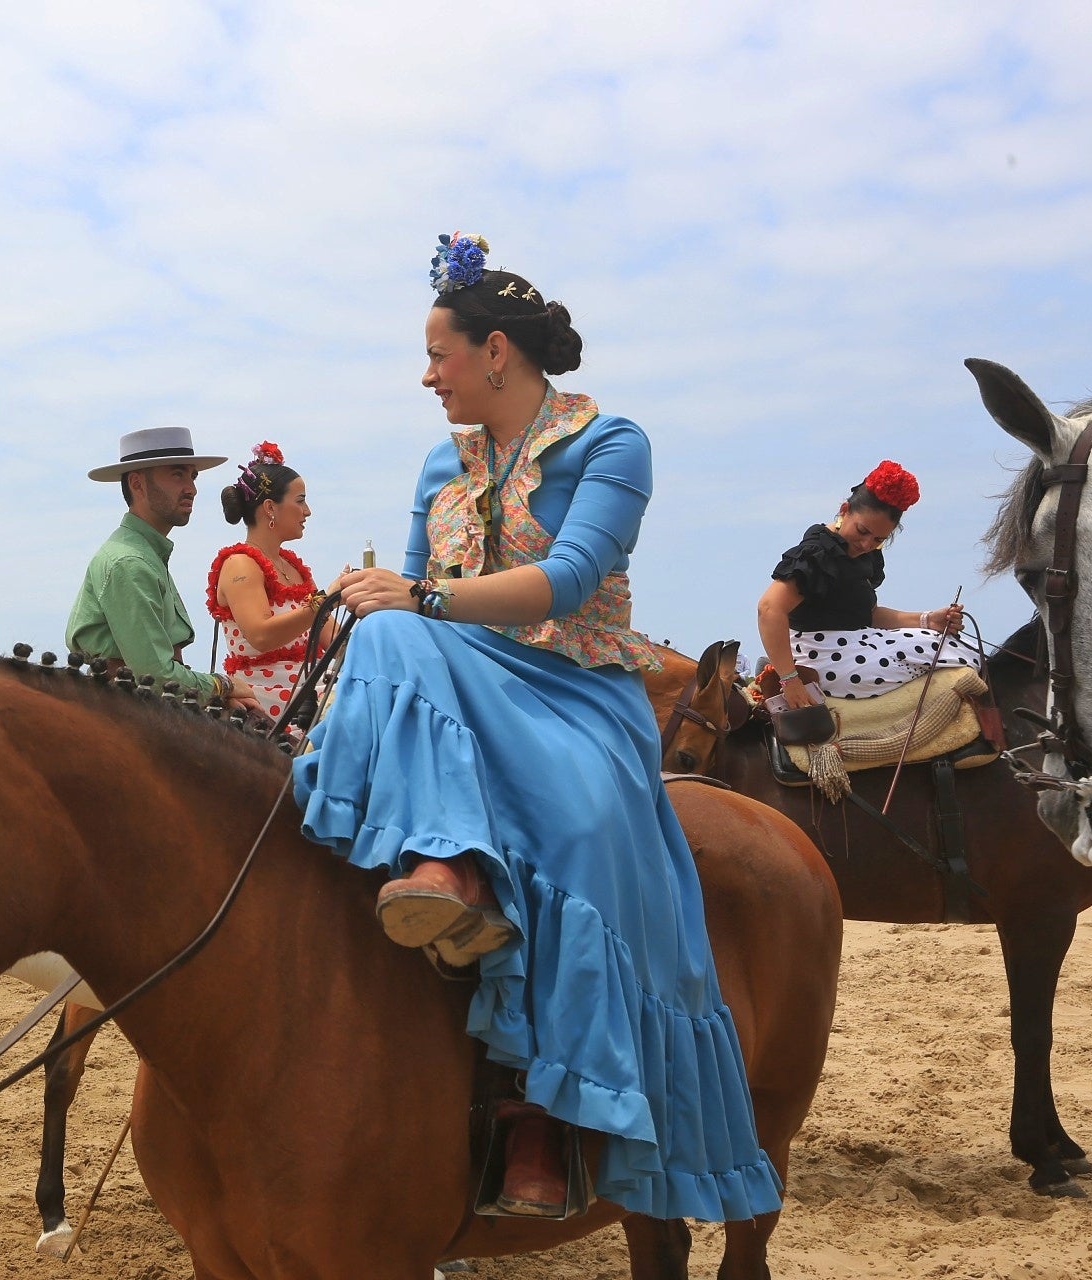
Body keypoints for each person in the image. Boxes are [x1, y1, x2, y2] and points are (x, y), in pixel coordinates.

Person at [295, 234, 780, 1224]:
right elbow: (411, 602)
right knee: (380, 635)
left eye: (438, 355)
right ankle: (444, 871)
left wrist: (419, 597)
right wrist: (391, 600)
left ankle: (547, 1107)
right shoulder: (440, 462)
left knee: (587, 821)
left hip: (576, 685)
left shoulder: (612, 444)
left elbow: (567, 580)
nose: (426, 376)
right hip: (463, 675)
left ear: (495, 351)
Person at [67, 427, 259, 709]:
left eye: (193, 476)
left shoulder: (143, 554)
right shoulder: (130, 562)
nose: (191, 488)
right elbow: (155, 677)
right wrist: (223, 686)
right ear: (137, 484)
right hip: (127, 715)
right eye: (177, 474)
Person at [756, 461, 974, 708]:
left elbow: (864, 615)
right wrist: (790, 680)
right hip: (819, 656)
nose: (866, 544)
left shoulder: (862, 556)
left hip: (855, 645)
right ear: (844, 510)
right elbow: (769, 609)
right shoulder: (817, 554)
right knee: (940, 650)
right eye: (862, 531)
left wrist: (928, 620)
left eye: (879, 539)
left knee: (953, 644)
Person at [206, 442, 336, 723]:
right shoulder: (240, 564)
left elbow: (335, 641)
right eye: (300, 501)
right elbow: (261, 636)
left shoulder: (294, 568)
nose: (307, 511)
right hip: (268, 708)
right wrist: (325, 602)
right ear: (269, 508)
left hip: (310, 695)